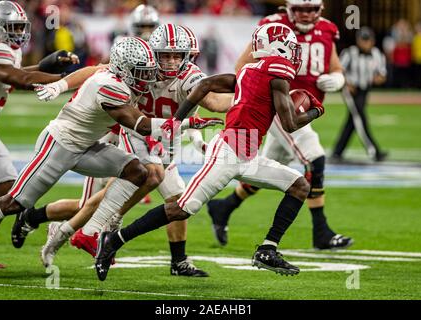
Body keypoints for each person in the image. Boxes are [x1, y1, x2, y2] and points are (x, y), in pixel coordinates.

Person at [94, 22, 326, 281]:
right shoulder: (276, 68)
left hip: (246, 152)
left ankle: (267, 249)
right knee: (180, 209)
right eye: (291, 47)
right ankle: (114, 241)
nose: (294, 53)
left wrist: (177, 120)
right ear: (279, 47)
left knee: (298, 186)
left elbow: (204, 85)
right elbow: (290, 123)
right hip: (228, 153)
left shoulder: (251, 70)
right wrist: (316, 110)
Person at [21, 25, 230, 277]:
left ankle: (177, 261)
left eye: (177, 55)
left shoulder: (190, 76)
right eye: (165, 55)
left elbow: (214, 102)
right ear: (154, 53)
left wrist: (246, 96)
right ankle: (98, 228)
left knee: (177, 200)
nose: (172, 61)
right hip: (135, 132)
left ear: (188, 56)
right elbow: (94, 72)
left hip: (165, 139)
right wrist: (61, 84)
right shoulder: (143, 66)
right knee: (149, 175)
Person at [0, 37, 208, 253]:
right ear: (124, 70)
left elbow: (92, 70)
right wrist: (187, 124)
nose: (147, 78)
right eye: (141, 72)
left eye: (148, 71)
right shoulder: (109, 85)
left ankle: (90, 232)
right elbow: (141, 125)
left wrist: (60, 85)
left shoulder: (115, 74)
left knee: (137, 172)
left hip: (88, 146)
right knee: (14, 203)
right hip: (61, 145)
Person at [206, 0, 353, 250]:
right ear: (288, 8)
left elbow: (336, 66)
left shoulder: (327, 29)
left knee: (263, 166)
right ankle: (321, 231)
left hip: (297, 107)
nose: (306, 15)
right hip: (279, 108)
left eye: (311, 10)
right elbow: (243, 67)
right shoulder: (274, 27)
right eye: (300, 10)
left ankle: (223, 207)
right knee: (314, 156)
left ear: (321, 9)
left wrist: (338, 78)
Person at [0, 1, 78, 268]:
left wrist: (51, 67)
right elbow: (19, 80)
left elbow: (20, 74)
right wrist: (69, 80)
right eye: (12, 27)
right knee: (8, 184)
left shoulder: (7, 50)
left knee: (7, 183)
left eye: (21, 27)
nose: (18, 32)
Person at [332, 27, 387, 161]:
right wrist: (346, 83)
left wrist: (378, 78)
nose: (365, 43)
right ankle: (374, 150)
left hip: (364, 90)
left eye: (368, 40)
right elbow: (338, 70)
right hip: (351, 89)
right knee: (359, 118)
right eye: (363, 40)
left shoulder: (377, 54)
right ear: (358, 40)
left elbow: (382, 74)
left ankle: (338, 151)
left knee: (352, 120)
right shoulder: (349, 53)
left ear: (373, 41)